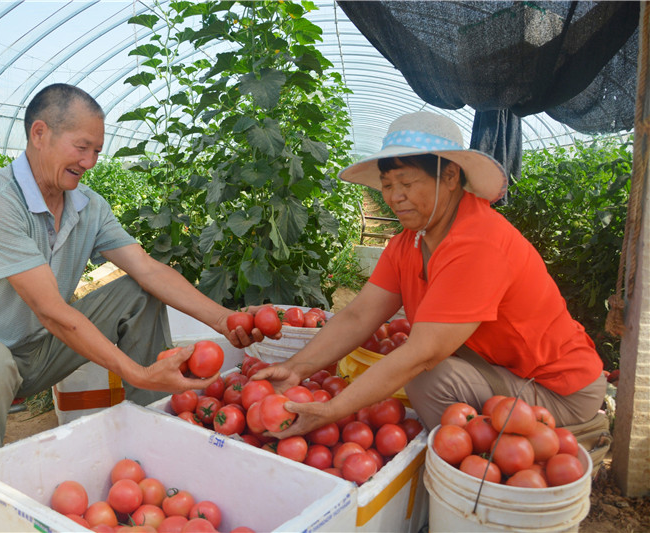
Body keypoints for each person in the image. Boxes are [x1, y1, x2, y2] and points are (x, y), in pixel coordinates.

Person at [0, 83, 264, 463]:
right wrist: (136, 371)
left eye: (97, 151)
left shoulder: (88, 207)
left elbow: (146, 268)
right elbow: (50, 309)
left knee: (138, 292)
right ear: (40, 133)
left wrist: (223, 319)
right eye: (82, 147)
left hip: (36, 354)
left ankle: (155, 438)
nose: (90, 162)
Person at [254, 111, 606, 436]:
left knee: (429, 377)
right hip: (499, 369)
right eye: (388, 185)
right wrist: (297, 369)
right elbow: (359, 315)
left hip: (558, 390)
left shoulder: (479, 241)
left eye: (407, 183)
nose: (395, 197)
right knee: (426, 370)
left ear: (450, 176)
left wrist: (333, 409)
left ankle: (492, 464)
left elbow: (424, 353)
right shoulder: (408, 244)